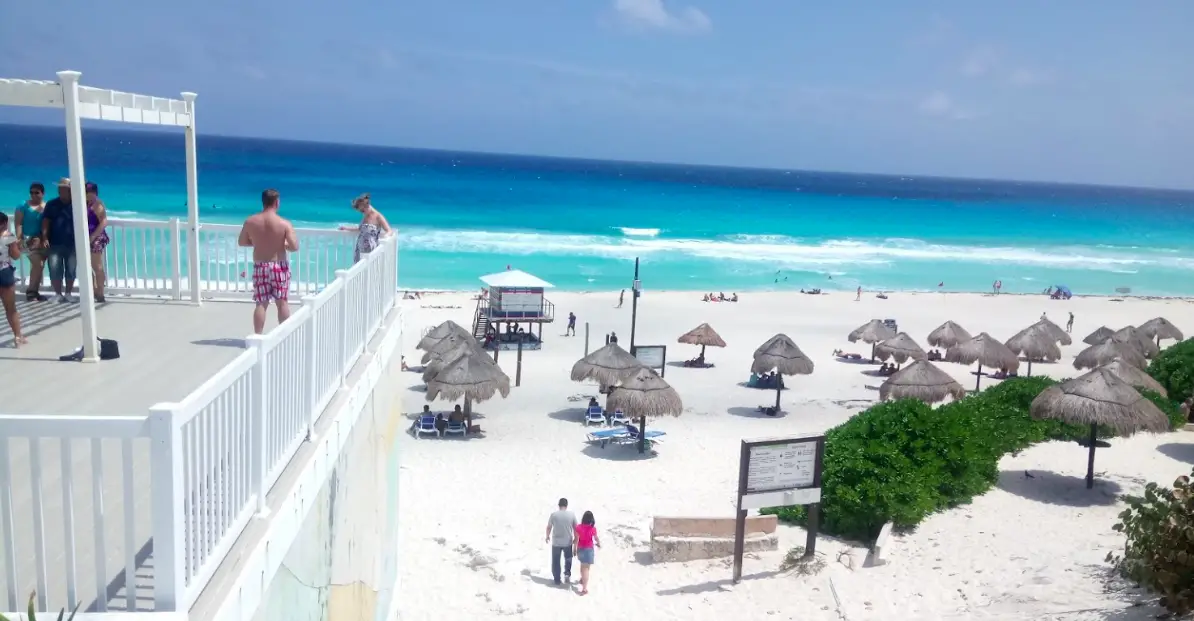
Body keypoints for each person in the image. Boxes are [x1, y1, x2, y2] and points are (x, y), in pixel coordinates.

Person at [238, 189, 299, 334]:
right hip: (279, 266)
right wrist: (283, 245)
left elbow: (242, 242)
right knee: (282, 302)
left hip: (260, 265)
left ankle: (258, 337)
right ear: (277, 202)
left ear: (263, 202)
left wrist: (258, 243)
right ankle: (284, 335)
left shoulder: (250, 221)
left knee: (261, 303)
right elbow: (294, 247)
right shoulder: (284, 223)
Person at [41, 178, 77, 304]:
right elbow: (46, 221)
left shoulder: (77, 203)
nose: (61, 190)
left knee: (71, 269)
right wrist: (45, 237)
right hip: (54, 242)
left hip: (73, 243)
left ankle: (68, 293)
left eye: (64, 188)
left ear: (70, 190)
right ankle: (57, 294)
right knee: (55, 269)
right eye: (60, 188)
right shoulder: (51, 204)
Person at [15, 182, 47, 301]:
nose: (33, 195)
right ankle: (31, 291)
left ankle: (34, 291)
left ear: (42, 193)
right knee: (38, 264)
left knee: (39, 266)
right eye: (31, 192)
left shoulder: (46, 207)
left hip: (40, 240)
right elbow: (18, 224)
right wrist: (19, 239)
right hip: (27, 240)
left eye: (36, 192)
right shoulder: (23, 205)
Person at [339, 193, 391, 263]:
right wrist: (346, 228)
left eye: (362, 210)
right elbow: (361, 229)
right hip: (359, 250)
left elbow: (389, 230)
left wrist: (385, 236)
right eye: (361, 211)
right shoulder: (365, 215)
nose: (362, 212)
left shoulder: (378, 216)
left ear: (367, 205)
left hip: (371, 251)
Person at [0, 213, 27, 347]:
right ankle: (17, 336)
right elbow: (15, 255)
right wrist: (19, 247)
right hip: (4, 272)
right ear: (5, 223)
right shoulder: (8, 236)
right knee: (11, 308)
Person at [85, 182, 110, 302]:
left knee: (97, 266)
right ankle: (93, 290)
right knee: (86, 266)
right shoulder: (83, 203)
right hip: (84, 237)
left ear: (95, 193)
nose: (89, 194)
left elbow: (104, 222)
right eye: (87, 191)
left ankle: (100, 292)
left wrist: (92, 237)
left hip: (96, 237)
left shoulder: (97, 204)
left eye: (91, 192)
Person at [545, 497, 577, 586]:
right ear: (566, 506)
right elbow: (576, 528)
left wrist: (547, 536)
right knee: (568, 558)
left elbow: (549, 527)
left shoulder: (554, 515)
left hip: (556, 542)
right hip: (568, 542)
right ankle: (567, 574)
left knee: (556, 561)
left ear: (559, 505)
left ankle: (557, 579)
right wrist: (576, 538)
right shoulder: (571, 515)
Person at [574, 510, 601, 596]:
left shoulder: (578, 527)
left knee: (583, 566)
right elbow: (596, 538)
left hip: (580, 549)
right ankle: (584, 589)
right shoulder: (593, 528)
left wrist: (574, 549)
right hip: (588, 550)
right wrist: (599, 543)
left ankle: (582, 579)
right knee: (586, 569)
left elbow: (576, 539)